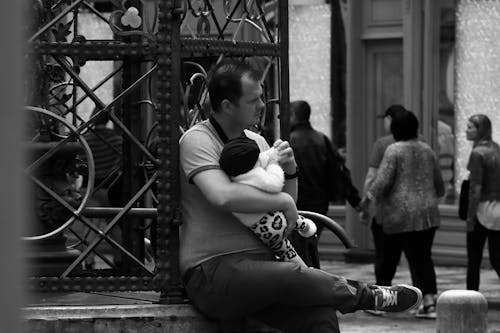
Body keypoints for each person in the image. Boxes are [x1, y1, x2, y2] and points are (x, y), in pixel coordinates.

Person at [179, 59, 423, 333]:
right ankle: (367, 296)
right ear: (227, 106)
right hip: (211, 271)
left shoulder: (258, 142)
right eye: (254, 100)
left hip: (267, 273)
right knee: (290, 273)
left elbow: (284, 207)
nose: (262, 106)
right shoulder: (197, 140)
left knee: (320, 314)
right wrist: (282, 201)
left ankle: (359, 297)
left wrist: (291, 171)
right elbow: (221, 195)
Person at [360, 111, 444, 319]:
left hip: (399, 214)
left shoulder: (394, 150)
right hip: (427, 214)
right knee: (422, 258)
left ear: (395, 129)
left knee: (387, 258)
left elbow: (383, 181)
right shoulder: (427, 150)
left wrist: (367, 199)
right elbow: (439, 184)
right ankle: (429, 303)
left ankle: (381, 302)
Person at [219, 136, 317, 268]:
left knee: (287, 252)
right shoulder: (255, 175)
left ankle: (303, 268)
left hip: (263, 230)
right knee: (292, 225)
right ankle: (304, 226)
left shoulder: (237, 169)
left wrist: (288, 165)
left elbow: (264, 157)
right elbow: (275, 184)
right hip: (272, 221)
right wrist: (273, 165)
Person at [289, 100, 362, 268]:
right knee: (309, 244)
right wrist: (355, 200)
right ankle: (310, 276)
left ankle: (306, 279)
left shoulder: (288, 141)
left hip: (294, 202)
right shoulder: (321, 139)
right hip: (319, 204)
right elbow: (338, 173)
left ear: (293, 115)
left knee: (297, 249)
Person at [464, 114, 500, 291]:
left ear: (480, 130)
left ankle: (471, 296)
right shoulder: (497, 148)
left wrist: (470, 216)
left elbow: (475, 188)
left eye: (471, 127)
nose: (466, 130)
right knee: (496, 256)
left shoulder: (478, 153)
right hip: (497, 209)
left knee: (474, 258)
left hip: (482, 209)